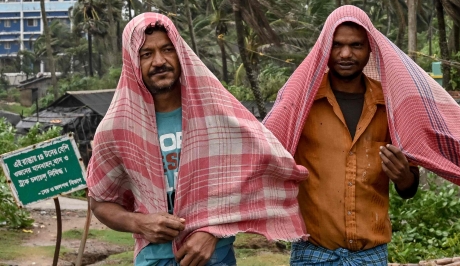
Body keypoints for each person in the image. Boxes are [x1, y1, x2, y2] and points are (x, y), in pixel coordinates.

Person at [266, 5, 460, 266]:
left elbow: (409, 187)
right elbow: (266, 151)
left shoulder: (392, 105)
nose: (345, 54)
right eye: (337, 45)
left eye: (356, 45)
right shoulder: (300, 105)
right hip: (313, 254)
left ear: (371, 49)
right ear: (325, 48)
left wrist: (404, 176)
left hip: (370, 256)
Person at [87, 14, 307, 266]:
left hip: (215, 256)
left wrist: (212, 231)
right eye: (146, 54)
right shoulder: (117, 127)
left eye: (167, 49)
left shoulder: (216, 113)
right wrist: (140, 223)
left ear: (180, 52)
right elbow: (101, 202)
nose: (159, 61)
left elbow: (253, 175)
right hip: (154, 259)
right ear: (132, 62)